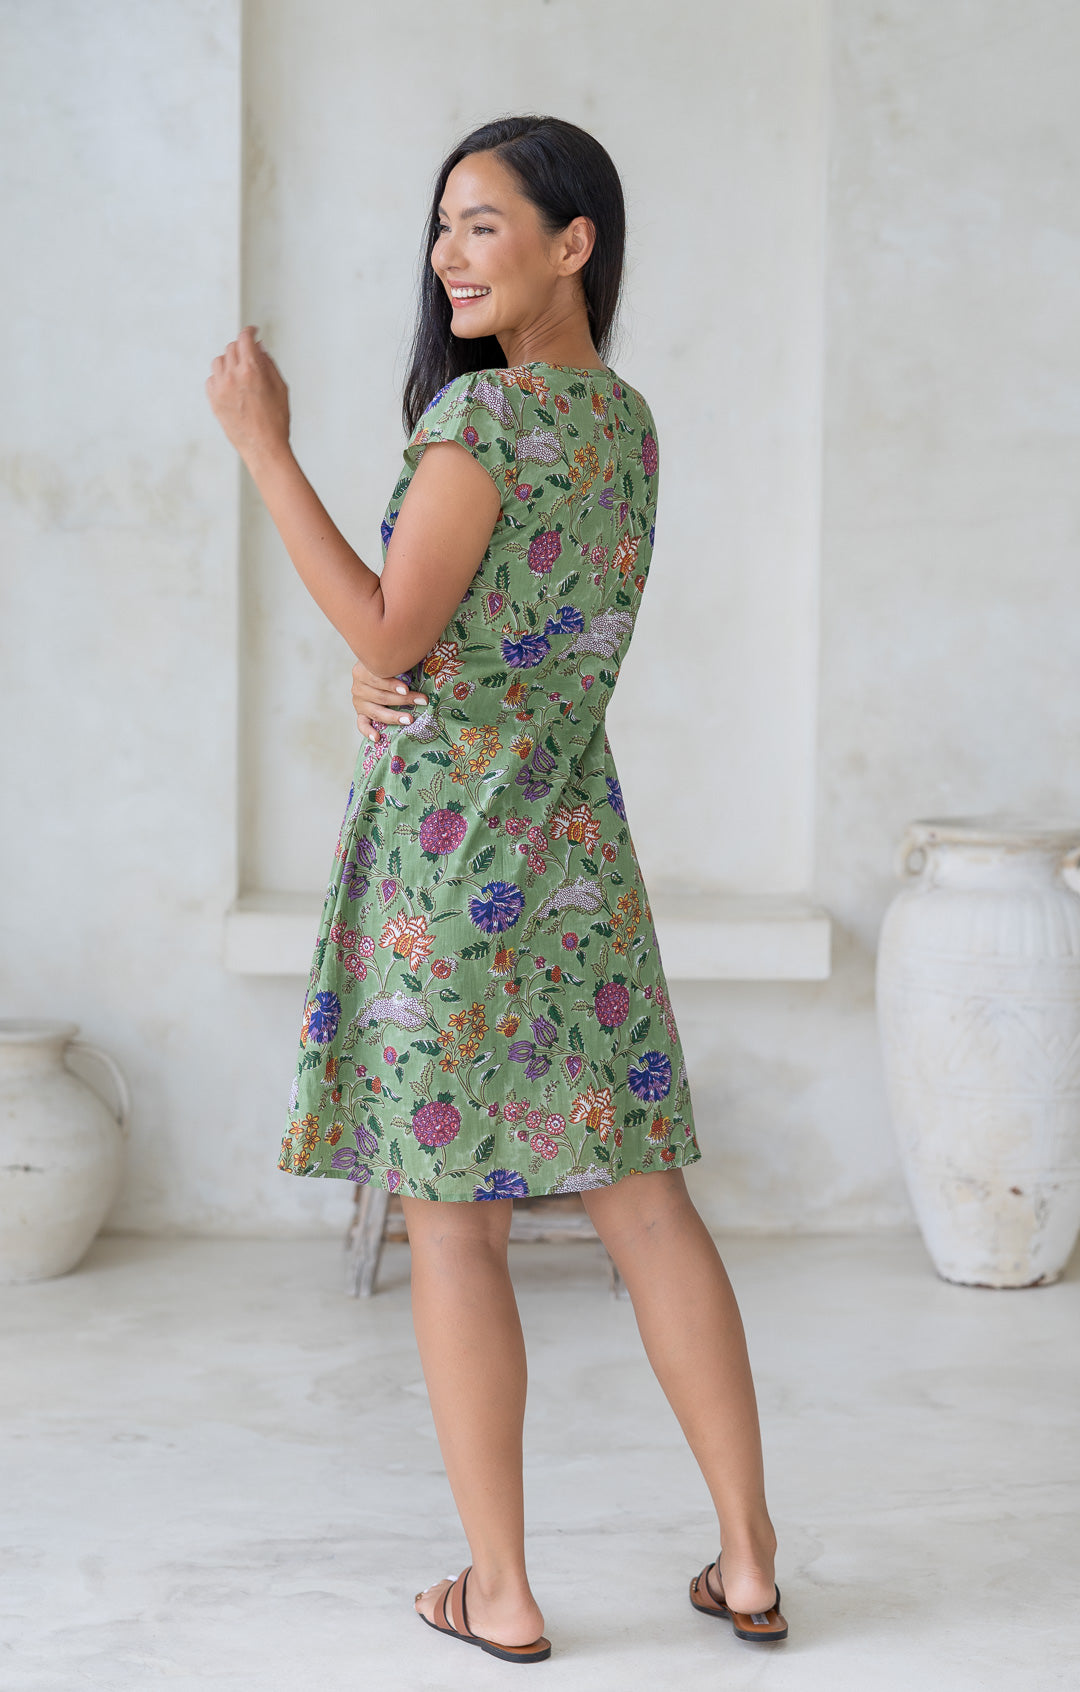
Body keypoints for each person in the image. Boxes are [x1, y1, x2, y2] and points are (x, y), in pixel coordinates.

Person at [206, 113, 785, 1665]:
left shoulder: (484, 425)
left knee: (456, 1225)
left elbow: (397, 635)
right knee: (649, 1209)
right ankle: (746, 1561)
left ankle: (504, 1590)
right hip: (578, 854)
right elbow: (496, 638)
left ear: (571, 239)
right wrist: (395, 668)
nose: (449, 254)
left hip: (453, 867)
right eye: (440, 227)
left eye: (481, 223)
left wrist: (266, 447)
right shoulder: (625, 423)